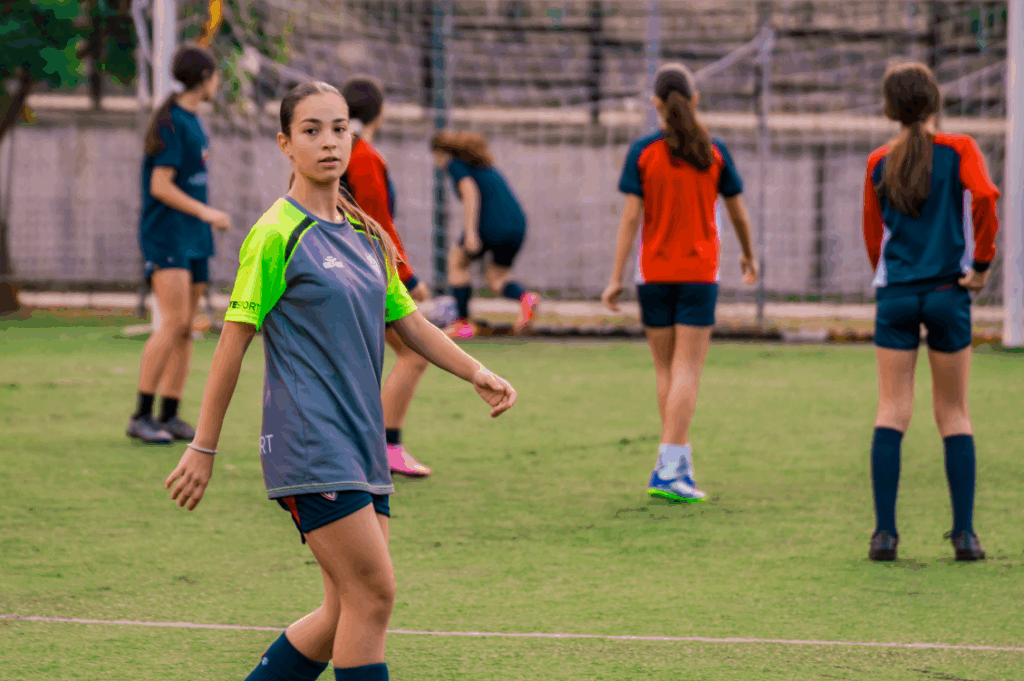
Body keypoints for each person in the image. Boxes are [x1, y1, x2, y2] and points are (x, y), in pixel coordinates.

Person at [163, 81, 517, 681]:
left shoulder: (365, 236)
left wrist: (475, 370)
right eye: (311, 130)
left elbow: (407, 319)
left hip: (361, 442)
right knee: (374, 596)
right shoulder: (276, 234)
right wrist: (203, 444)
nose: (328, 142)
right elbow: (232, 341)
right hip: (309, 443)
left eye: (339, 128)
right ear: (285, 144)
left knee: (343, 608)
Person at [601, 62, 757, 504]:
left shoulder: (643, 151)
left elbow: (631, 218)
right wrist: (748, 253)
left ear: (655, 104)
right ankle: (670, 466)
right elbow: (738, 212)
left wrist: (614, 278)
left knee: (666, 370)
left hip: (652, 274)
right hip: (699, 274)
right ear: (694, 100)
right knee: (688, 369)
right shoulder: (714, 151)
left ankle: (677, 460)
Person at [862, 62, 998, 563]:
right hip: (947, 293)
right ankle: (964, 536)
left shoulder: (880, 159)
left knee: (892, 410)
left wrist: (890, 274)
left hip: (896, 294)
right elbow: (986, 196)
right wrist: (981, 264)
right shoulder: (959, 150)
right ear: (935, 101)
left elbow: (872, 232)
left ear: (889, 108)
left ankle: (885, 536)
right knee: (954, 413)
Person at [127, 43, 232, 444]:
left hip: (195, 239)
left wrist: (204, 221)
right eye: (215, 76)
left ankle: (169, 414)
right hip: (168, 235)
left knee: (187, 327)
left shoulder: (194, 120)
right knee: (171, 324)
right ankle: (141, 415)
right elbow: (160, 185)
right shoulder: (170, 121)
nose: (218, 83)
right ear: (204, 79)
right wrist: (206, 212)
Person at [341, 76, 432, 478]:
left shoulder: (336, 153)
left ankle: (351, 448)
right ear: (380, 112)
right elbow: (379, 225)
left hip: (337, 270)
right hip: (365, 273)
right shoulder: (363, 157)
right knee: (413, 353)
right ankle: (387, 447)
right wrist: (409, 279)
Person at [430, 130, 540, 338]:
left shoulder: (455, 165)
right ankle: (525, 298)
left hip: (491, 223)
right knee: (496, 276)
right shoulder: (484, 166)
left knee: (457, 262)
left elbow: (470, 192)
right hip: (517, 224)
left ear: (440, 153)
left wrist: (471, 233)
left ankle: (463, 323)